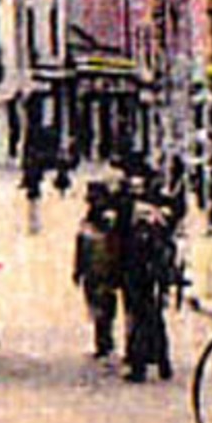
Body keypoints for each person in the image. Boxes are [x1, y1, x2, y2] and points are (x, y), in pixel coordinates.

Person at [118, 164, 177, 383]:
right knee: (152, 317)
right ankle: (160, 362)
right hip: (147, 271)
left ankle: (140, 364)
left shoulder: (142, 213)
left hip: (143, 271)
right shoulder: (149, 209)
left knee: (141, 317)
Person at [72, 181, 122, 360]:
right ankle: (103, 341)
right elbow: (80, 246)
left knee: (103, 307)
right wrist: (78, 269)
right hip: (94, 270)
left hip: (102, 269)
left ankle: (105, 342)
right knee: (97, 306)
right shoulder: (91, 221)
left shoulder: (106, 221)